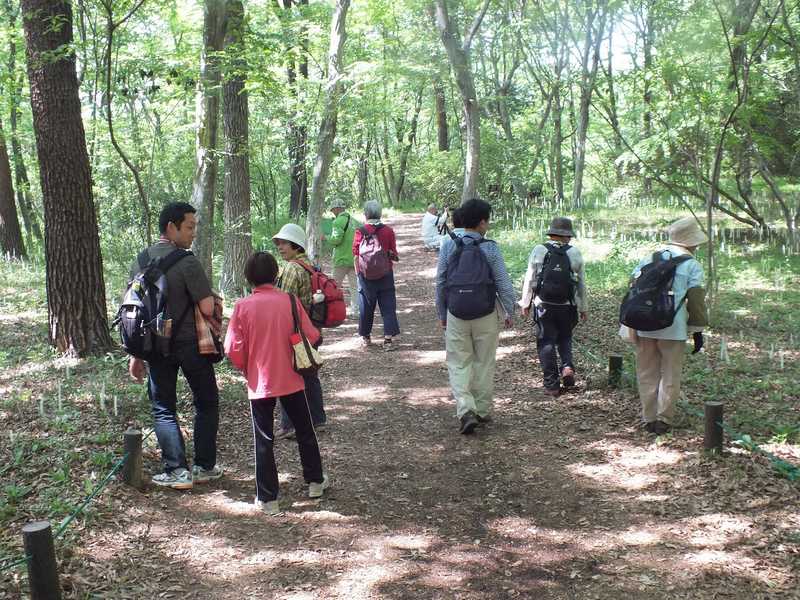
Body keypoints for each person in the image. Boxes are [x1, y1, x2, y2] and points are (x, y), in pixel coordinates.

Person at [224, 252, 329, 515]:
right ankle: (315, 481)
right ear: (276, 275)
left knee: (264, 439)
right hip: (292, 377)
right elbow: (312, 335)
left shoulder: (242, 307)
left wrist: (247, 367)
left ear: (248, 277)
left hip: (260, 381)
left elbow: (232, 348)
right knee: (305, 430)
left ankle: (268, 498)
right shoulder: (290, 301)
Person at [128, 202, 221, 490]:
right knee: (206, 402)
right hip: (192, 345)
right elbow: (206, 307)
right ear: (172, 227)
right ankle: (204, 466)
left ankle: (176, 470)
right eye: (190, 227)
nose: (193, 233)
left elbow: (135, 309)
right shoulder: (188, 261)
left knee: (163, 407)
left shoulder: (140, 260)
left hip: (156, 346)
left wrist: (135, 354)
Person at [435, 198, 517, 434]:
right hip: (486, 313)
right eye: (487, 221)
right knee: (484, 361)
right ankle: (481, 409)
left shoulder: (448, 245)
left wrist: (442, 312)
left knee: (458, 362)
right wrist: (508, 310)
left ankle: (465, 409)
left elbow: (440, 282)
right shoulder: (490, 247)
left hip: (456, 313)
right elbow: (503, 282)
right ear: (482, 222)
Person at [630, 216, 708, 435]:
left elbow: (632, 287)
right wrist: (697, 330)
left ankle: (648, 417)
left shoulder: (650, 258)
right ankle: (663, 420)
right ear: (691, 242)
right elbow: (696, 300)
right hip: (674, 327)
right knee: (670, 373)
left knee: (646, 372)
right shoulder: (692, 265)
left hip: (644, 323)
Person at [519, 217, 588, 396]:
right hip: (567, 306)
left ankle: (552, 384)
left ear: (551, 233)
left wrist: (525, 303)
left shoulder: (539, 250)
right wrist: (583, 307)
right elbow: (581, 284)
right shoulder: (574, 253)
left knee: (546, 341)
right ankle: (567, 366)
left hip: (544, 305)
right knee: (565, 337)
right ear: (566, 236)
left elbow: (530, 277)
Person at [272, 223, 327, 439]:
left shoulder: (292, 269)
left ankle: (290, 425)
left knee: (289, 375)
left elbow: (283, 302)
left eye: (284, 243)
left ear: (296, 246)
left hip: (294, 331)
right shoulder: (309, 265)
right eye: (278, 243)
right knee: (309, 373)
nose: (280, 247)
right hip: (310, 327)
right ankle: (318, 419)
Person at [352, 200, 401, 351]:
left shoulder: (360, 231)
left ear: (366, 214)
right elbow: (394, 254)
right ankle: (388, 340)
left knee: (366, 306)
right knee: (388, 306)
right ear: (380, 213)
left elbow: (356, 254)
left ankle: (366, 337)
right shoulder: (388, 231)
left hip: (365, 275)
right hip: (385, 274)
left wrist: (358, 273)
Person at [326, 197, 360, 318]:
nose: (332, 212)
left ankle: (333, 312)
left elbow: (336, 240)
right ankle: (356, 312)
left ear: (337, 208)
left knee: (334, 286)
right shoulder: (354, 221)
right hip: (354, 258)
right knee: (354, 287)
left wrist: (326, 238)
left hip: (341, 259)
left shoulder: (337, 222)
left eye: (333, 210)